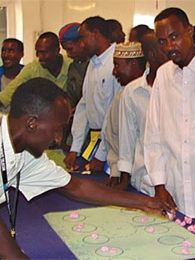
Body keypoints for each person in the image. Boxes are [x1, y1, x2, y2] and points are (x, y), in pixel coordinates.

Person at [0, 77, 174, 258]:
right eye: (57, 129)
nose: (59, 139)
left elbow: (74, 186)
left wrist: (146, 203)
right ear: (32, 123)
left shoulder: (23, 152)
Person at [144, 8, 195, 220]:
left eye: (174, 37)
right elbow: (153, 134)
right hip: (174, 194)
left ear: (190, 31)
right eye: (161, 41)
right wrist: (159, 185)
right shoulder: (163, 75)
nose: (169, 47)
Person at [65, 16, 121, 172]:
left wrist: (101, 155)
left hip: (113, 145)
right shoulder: (93, 64)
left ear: (96, 33)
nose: (81, 44)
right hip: (95, 141)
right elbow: (84, 106)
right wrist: (75, 148)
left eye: (83, 38)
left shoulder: (116, 61)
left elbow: (115, 114)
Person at [117, 33, 168, 194]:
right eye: (164, 46)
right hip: (143, 179)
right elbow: (127, 137)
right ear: (152, 54)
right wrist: (124, 178)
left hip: (173, 180)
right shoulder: (132, 92)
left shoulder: (177, 88)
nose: (172, 50)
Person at [0, 32, 72, 110]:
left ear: (57, 51)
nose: (39, 57)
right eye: (37, 52)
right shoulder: (32, 69)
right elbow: (8, 93)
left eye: (43, 52)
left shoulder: (71, 66)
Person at [101, 42, 147, 190]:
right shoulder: (120, 97)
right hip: (132, 181)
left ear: (133, 63)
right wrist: (116, 172)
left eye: (117, 65)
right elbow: (113, 138)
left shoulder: (157, 91)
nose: (114, 72)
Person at [59, 22, 89, 108]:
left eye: (70, 49)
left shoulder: (96, 65)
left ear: (81, 42)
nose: (69, 55)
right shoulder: (73, 68)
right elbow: (71, 99)